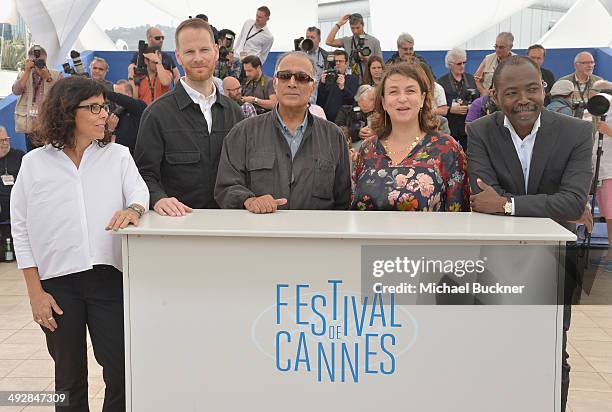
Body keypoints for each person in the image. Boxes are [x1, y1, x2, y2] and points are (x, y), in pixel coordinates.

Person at [10, 76, 149, 412]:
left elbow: (139, 192)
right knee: (68, 378)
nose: (105, 115)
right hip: (56, 286)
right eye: (95, 108)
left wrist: (132, 209)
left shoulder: (118, 156)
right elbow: (21, 229)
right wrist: (35, 294)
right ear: (68, 111)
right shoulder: (34, 164)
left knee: (121, 372)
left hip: (109, 278)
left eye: (105, 107)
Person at [466, 56, 593, 412]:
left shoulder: (578, 133)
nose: (524, 99)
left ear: (544, 89)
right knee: (493, 350)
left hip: (553, 261)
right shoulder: (479, 132)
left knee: (551, 351)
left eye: (532, 89)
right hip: (496, 260)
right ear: (494, 95)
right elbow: (480, 198)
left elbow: (571, 202)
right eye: (512, 92)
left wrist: (507, 205)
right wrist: (550, 204)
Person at [215, 51, 351, 213]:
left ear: (313, 86)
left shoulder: (333, 136)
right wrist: (248, 200)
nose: (292, 83)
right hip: (261, 234)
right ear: (275, 83)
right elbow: (226, 187)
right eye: (285, 76)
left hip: (315, 235)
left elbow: (343, 199)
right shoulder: (243, 133)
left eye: (302, 77)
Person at [135, 18, 244, 216]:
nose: (198, 58)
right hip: (178, 228)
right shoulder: (156, 114)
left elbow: (244, 169)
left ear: (216, 52)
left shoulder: (235, 113)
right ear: (178, 56)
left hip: (230, 226)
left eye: (204, 50)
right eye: (189, 52)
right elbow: (144, 173)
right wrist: (158, 198)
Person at [351, 63, 469, 212]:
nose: (402, 98)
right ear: (383, 102)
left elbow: (459, 216)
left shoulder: (447, 149)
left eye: (410, 91)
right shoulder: (367, 149)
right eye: (393, 92)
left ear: (422, 98)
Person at [12, 45, 62, 151]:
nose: (38, 64)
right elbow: (16, 91)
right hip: (30, 125)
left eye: (42, 61)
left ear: (46, 59)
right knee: (32, 156)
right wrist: (26, 72)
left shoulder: (56, 75)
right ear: (29, 60)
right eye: (35, 61)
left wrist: (47, 78)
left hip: (49, 124)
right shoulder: (23, 75)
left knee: (51, 155)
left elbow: (61, 93)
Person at [437, 48, 479, 149]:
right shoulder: (441, 82)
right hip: (450, 126)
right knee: (449, 152)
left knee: (470, 153)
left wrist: (471, 106)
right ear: (450, 64)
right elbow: (437, 105)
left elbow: (477, 99)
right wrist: (451, 109)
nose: (462, 66)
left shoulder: (471, 78)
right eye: (459, 63)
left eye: (464, 62)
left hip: (467, 125)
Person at [325, 13, 382, 84]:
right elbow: (329, 41)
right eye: (352, 28)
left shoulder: (374, 41)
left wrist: (366, 59)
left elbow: (381, 65)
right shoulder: (347, 40)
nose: (355, 31)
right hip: (350, 82)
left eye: (358, 28)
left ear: (363, 25)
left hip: (368, 81)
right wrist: (339, 24)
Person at [316, 50, 359, 125]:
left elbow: (353, 101)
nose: (338, 63)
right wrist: (322, 84)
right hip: (327, 120)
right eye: (335, 61)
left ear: (346, 63)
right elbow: (319, 101)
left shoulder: (352, 79)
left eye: (341, 61)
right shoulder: (327, 79)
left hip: (344, 121)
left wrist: (343, 87)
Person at [105, 79, 147, 154]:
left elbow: (120, 99)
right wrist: (110, 129)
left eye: (119, 94)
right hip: (118, 155)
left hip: (135, 156)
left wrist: (103, 92)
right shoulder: (116, 113)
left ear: (129, 95)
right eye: (115, 94)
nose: (116, 99)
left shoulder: (139, 106)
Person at [474, 32, 514, 96]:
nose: (497, 50)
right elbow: (475, 79)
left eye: (501, 47)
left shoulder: (518, 62)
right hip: (488, 99)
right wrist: (483, 91)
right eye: (496, 46)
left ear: (510, 47)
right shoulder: (488, 59)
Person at [0, 126, 24, 223]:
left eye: (6, 139)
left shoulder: (19, 156)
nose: (5, 143)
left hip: (17, 209)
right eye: (1, 140)